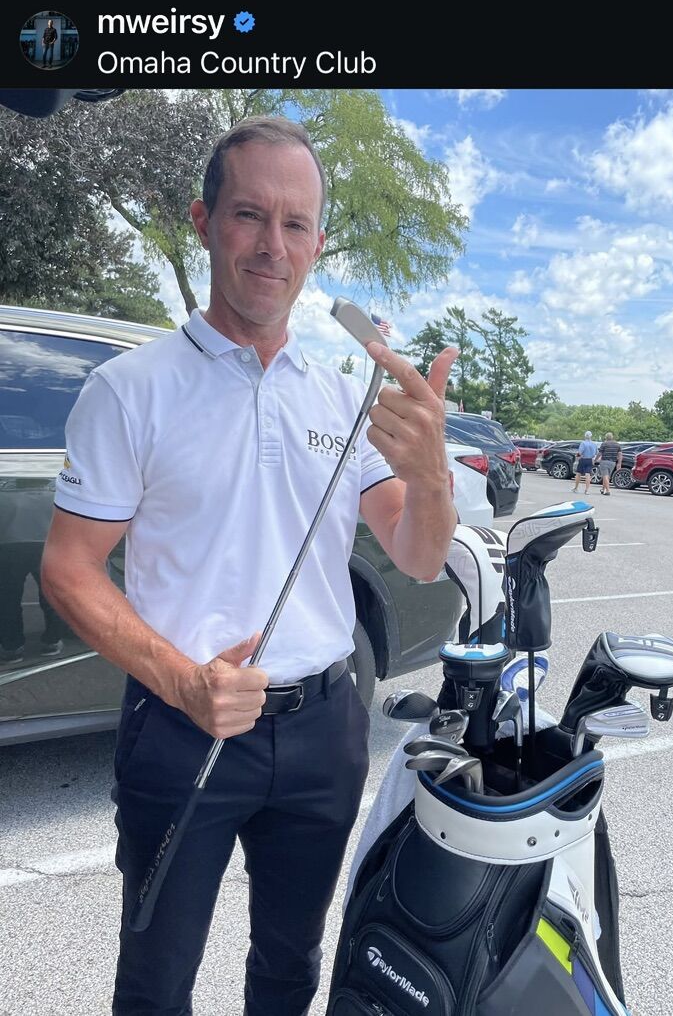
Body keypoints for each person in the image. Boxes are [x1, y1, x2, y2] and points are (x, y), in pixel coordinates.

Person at [40, 116, 458, 1016]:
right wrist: (184, 683)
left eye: (296, 223)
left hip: (324, 727)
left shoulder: (343, 399)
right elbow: (68, 570)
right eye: (249, 215)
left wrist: (433, 478)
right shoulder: (131, 390)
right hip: (181, 724)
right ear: (203, 222)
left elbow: (420, 557)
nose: (274, 245)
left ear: (317, 244)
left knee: (290, 967)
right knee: (155, 981)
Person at [573, 430, 598, 495]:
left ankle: (576, 488)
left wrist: (577, 456)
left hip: (583, 459)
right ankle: (587, 490)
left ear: (585, 436)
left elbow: (580, 452)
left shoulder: (583, 443)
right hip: (590, 460)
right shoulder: (594, 444)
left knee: (578, 474)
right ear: (591, 436)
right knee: (588, 474)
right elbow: (596, 453)